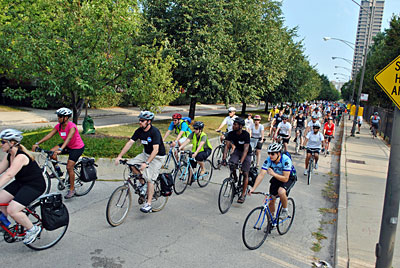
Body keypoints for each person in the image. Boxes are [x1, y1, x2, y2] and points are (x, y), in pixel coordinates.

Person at [0, 129, 46, 244]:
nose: (1, 144)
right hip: (21, 182)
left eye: (3, 142)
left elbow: (9, 175)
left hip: (34, 185)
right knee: (0, 200)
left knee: (13, 209)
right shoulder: (9, 156)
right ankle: (6, 226)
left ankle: (33, 229)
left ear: (12, 143)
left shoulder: (21, 157)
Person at [115, 111, 166, 213]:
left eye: (142, 121)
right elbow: (130, 143)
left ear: (149, 122)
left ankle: (148, 204)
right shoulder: (139, 131)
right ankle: (143, 184)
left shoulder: (154, 132)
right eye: (140, 120)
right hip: (145, 154)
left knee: (150, 178)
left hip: (157, 157)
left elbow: (155, 150)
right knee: (131, 163)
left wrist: (146, 163)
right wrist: (119, 156)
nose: (140, 122)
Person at [32, 107, 85, 199]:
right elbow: (49, 135)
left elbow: (68, 138)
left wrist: (61, 149)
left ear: (66, 118)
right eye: (58, 116)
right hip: (67, 145)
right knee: (52, 153)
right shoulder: (58, 126)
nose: (58, 118)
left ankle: (72, 189)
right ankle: (58, 171)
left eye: (60, 116)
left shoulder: (72, 126)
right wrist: (37, 143)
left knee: (69, 167)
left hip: (77, 147)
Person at [248, 143, 296, 220]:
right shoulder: (269, 160)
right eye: (269, 153)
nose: (270, 155)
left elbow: (285, 179)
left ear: (279, 153)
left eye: (272, 154)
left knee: (281, 192)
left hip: (289, 177)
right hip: (277, 177)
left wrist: (273, 174)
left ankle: (285, 210)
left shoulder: (286, 160)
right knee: (271, 200)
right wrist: (253, 188)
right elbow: (261, 175)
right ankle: (271, 220)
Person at [222, 117, 251, 204]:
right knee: (231, 164)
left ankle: (242, 195)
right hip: (237, 151)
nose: (233, 125)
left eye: (235, 124)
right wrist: (224, 159)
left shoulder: (246, 134)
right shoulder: (231, 134)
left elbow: (246, 149)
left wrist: (241, 162)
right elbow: (227, 147)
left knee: (245, 173)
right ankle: (235, 177)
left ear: (240, 126)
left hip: (247, 153)